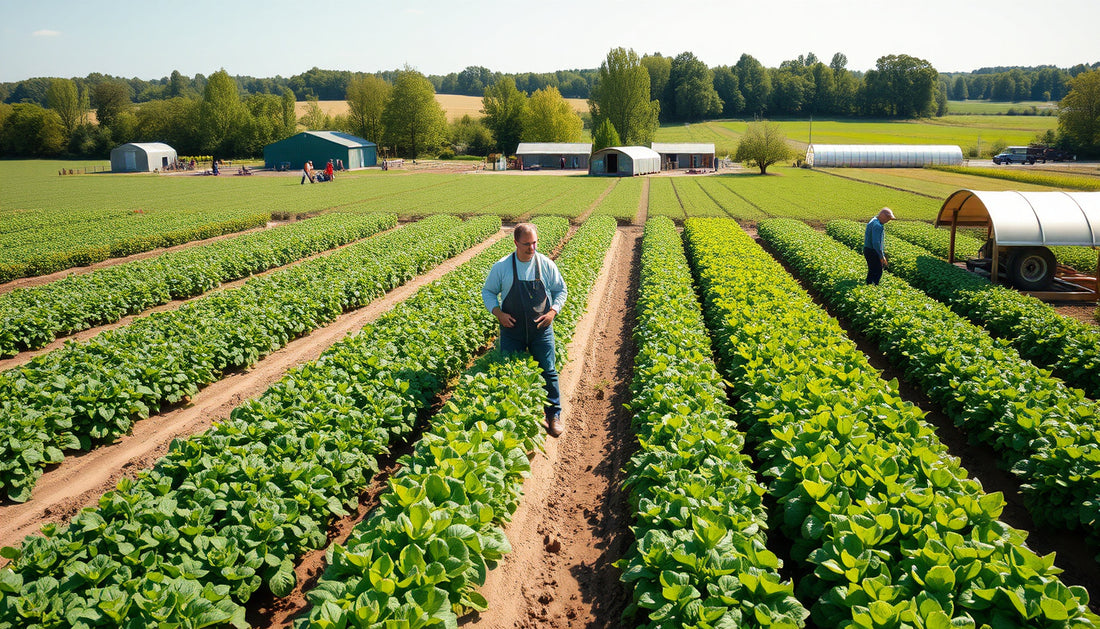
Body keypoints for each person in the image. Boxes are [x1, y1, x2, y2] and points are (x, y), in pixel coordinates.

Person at [482, 223, 568, 437]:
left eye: (534, 243)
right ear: (515, 243)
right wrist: (498, 313)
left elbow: (561, 290)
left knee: (548, 371)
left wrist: (553, 312)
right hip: (513, 331)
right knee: (512, 374)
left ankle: (553, 415)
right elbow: (488, 292)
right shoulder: (501, 267)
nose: (532, 248)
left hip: (541, 330)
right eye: (527, 244)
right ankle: (527, 415)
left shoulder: (546, 264)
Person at [863, 207, 895, 285]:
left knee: (872, 269)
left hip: (867, 249)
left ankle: (868, 284)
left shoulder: (873, 220)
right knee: (877, 271)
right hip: (872, 250)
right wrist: (881, 256)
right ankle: (873, 287)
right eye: (888, 219)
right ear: (883, 216)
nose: (888, 221)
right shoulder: (878, 226)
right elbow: (876, 243)